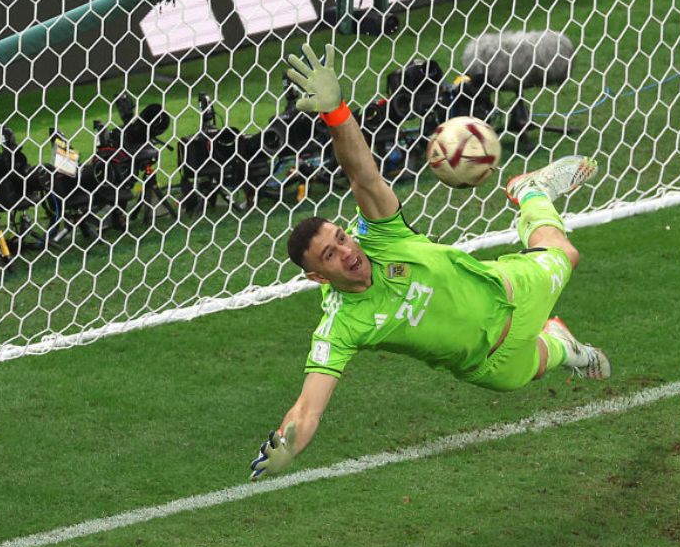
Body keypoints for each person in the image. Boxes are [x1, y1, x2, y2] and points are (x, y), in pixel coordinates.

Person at [250, 43, 608, 480]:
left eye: (341, 238)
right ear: (315, 275)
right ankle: (567, 347)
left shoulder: (382, 233)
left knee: (564, 253)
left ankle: (530, 193)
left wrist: (337, 113)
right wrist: (289, 442)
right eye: (330, 254)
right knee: (535, 366)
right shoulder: (341, 325)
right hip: (487, 365)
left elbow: (361, 171)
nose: (347, 252)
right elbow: (309, 405)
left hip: (506, 293)